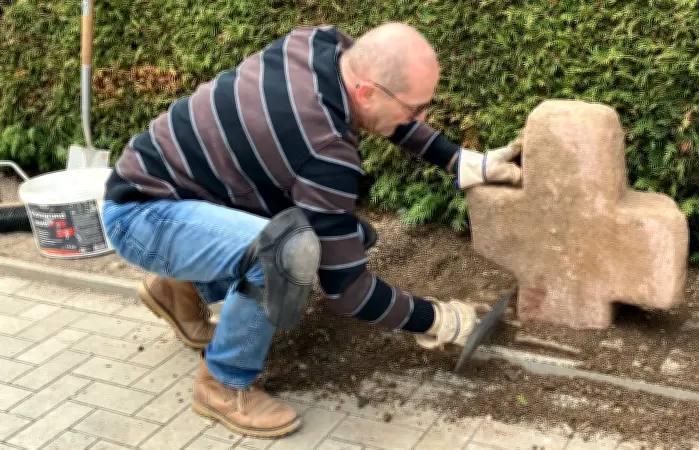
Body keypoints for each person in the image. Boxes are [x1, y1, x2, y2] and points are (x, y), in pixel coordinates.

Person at [101, 21, 521, 438]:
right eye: (416, 110)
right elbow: (349, 294)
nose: (421, 118)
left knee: (350, 236)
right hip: (143, 214)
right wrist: (436, 319)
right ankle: (224, 383)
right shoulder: (326, 151)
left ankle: (179, 288)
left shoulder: (319, 42)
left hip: (175, 189)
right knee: (286, 253)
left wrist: (461, 161)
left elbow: (386, 107)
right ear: (368, 93)